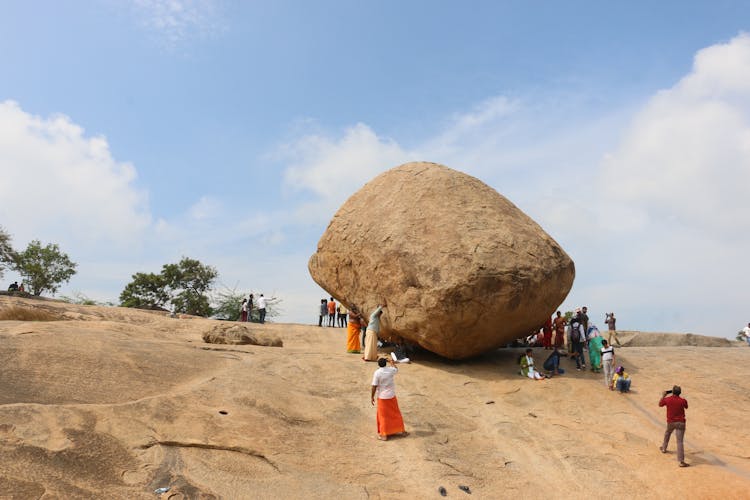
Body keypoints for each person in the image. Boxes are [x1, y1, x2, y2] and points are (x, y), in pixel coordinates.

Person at [371, 357, 408, 441]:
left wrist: (372, 396)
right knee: (395, 413)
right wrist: (391, 361)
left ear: (378, 364)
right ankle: (402, 431)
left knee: (383, 416)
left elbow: (374, 386)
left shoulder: (377, 373)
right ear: (385, 363)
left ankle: (384, 435)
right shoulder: (391, 370)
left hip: (382, 397)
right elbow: (396, 368)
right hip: (391, 395)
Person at [659, 385, 689, 467]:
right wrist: (683, 399)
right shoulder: (683, 400)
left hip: (671, 422)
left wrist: (663, 396)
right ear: (680, 393)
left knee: (667, 433)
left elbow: (660, 404)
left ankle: (664, 448)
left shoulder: (667, 399)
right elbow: (686, 406)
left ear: (672, 392)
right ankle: (681, 461)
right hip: (681, 423)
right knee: (680, 442)